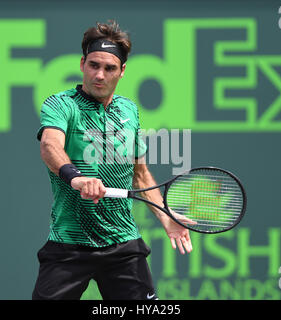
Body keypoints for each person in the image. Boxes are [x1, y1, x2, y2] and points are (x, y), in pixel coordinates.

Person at [32, 20, 193, 300]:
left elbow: (140, 176)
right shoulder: (61, 104)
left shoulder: (129, 110)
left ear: (122, 71)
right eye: (94, 65)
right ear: (82, 64)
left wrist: (166, 216)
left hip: (122, 245)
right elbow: (50, 146)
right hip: (69, 243)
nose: (99, 75)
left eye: (109, 68)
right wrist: (76, 177)